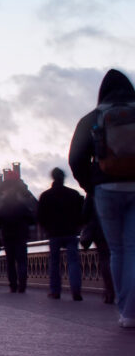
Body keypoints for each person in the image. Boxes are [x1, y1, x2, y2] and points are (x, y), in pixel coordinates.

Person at [69, 68, 135, 327]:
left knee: (117, 250)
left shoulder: (93, 118)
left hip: (106, 189)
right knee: (133, 249)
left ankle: (126, 313)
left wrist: (92, 185)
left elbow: (76, 160)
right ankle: (132, 309)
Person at [37, 168, 85, 301]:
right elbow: (82, 214)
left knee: (54, 263)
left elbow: (40, 217)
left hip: (54, 234)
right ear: (63, 178)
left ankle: (55, 291)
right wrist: (77, 226)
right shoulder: (74, 194)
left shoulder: (46, 196)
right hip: (71, 232)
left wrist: (48, 228)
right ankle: (76, 291)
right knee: (73, 262)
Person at [0, 183, 34, 293]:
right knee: (22, 261)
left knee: (10, 262)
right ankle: (22, 284)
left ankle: (13, 285)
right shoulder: (22, 206)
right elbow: (31, 220)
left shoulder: (2, 207)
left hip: (8, 237)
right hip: (21, 236)